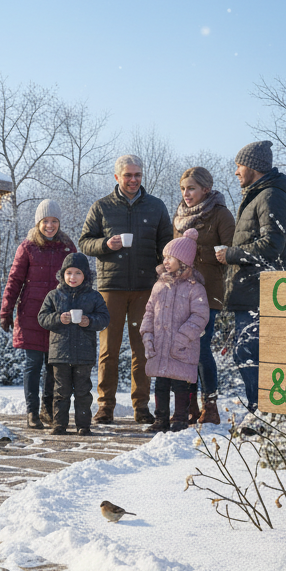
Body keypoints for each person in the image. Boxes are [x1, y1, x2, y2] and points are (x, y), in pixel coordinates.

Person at [79, 154, 174, 425]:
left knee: (142, 349)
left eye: (137, 175)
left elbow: (166, 244)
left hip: (145, 289)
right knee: (108, 350)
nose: (133, 180)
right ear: (117, 177)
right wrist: (105, 245)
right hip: (111, 288)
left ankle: (141, 406)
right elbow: (84, 242)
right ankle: (105, 406)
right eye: (128, 175)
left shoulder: (156, 206)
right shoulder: (101, 207)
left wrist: (164, 270)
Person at [217, 140, 286, 414]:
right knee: (249, 353)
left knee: (250, 354)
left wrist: (231, 254)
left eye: (239, 165)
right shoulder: (258, 195)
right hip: (251, 291)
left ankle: (263, 413)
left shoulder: (271, 195)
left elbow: (272, 246)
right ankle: (261, 411)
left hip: (263, 292)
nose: (236, 171)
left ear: (253, 166)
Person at [0, 199, 77, 429]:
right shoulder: (27, 247)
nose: (50, 225)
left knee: (53, 366)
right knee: (33, 365)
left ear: (59, 222)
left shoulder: (67, 247)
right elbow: (14, 280)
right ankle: (32, 411)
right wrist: (6, 310)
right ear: (38, 222)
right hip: (31, 314)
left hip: (58, 315)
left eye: (54, 221)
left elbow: (78, 278)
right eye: (45, 221)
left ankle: (47, 409)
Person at [173, 167, 235, 424]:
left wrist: (198, 252)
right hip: (181, 292)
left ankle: (210, 406)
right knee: (183, 348)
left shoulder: (220, 214)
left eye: (191, 188)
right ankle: (189, 405)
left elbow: (231, 253)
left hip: (209, 291)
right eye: (183, 189)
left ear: (206, 189)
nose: (186, 194)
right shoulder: (179, 216)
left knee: (200, 347)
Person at [141, 229, 210, 433]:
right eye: (164, 257)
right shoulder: (159, 285)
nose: (166, 261)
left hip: (182, 347)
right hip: (160, 345)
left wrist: (183, 337)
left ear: (183, 261)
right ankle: (160, 419)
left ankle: (180, 418)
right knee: (161, 383)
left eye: (170, 257)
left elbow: (200, 316)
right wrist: (147, 335)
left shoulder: (195, 288)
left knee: (181, 384)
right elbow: (149, 312)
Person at [37, 253, 110, 436]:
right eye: (69, 273)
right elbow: (42, 318)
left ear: (86, 275)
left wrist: (89, 321)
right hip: (60, 353)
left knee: (83, 392)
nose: (73, 277)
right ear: (63, 274)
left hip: (84, 353)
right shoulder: (54, 295)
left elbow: (104, 318)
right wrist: (58, 318)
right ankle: (59, 425)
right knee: (60, 391)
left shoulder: (94, 296)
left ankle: (83, 426)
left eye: (78, 273)